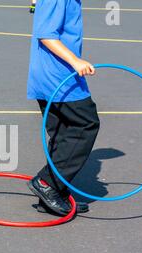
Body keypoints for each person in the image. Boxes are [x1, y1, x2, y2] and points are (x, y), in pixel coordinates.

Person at [27, 0, 99, 215]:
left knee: (62, 132)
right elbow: (46, 34)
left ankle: (52, 194)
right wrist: (75, 61)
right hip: (59, 76)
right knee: (85, 125)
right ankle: (47, 183)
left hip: (49, 74)